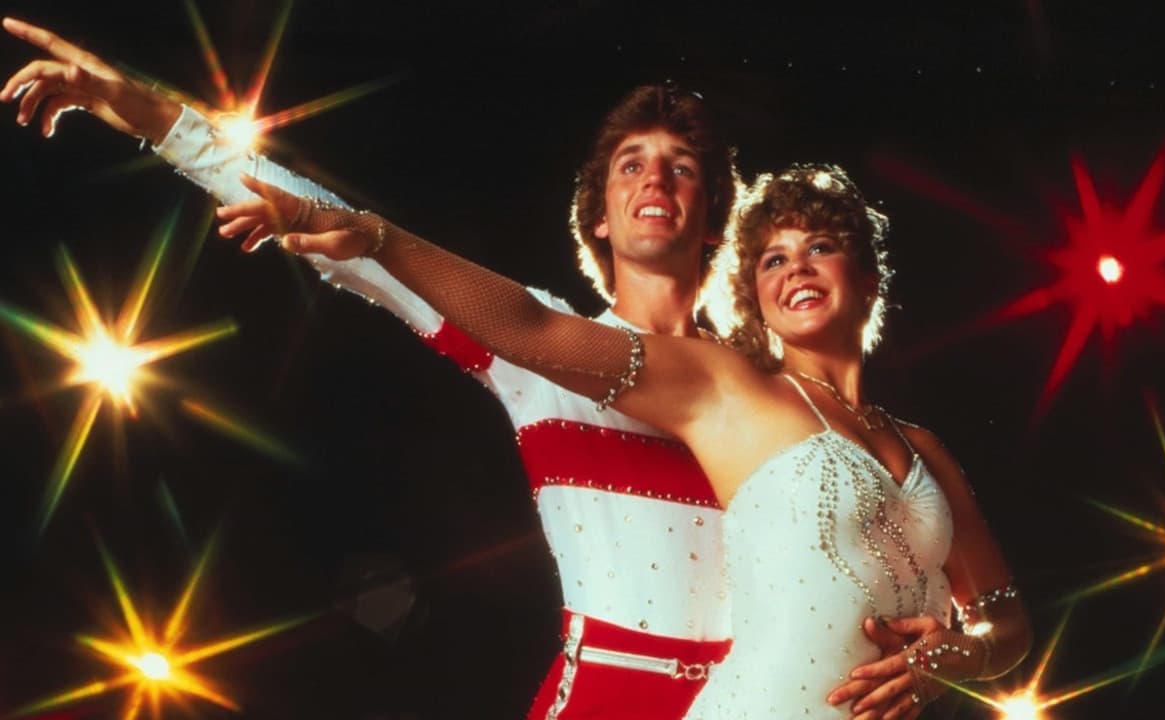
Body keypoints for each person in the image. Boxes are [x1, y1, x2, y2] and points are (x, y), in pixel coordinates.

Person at [1, 18, 941, 720]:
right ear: (598, 217)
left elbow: (886, 540)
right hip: (605, 698)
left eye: (683, 167)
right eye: (631, 165)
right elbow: (355, 241)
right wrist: (143, 110)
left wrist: (936, 646)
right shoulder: (534, 345)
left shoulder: (771, 396)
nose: (657, 179)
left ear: (713, 219)